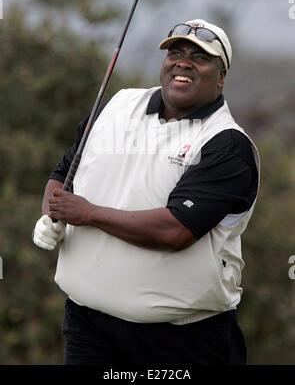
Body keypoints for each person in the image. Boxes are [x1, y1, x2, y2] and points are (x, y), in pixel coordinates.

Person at [33, 18, 260, 366]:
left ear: (221, 76)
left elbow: (174, 231)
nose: (183, 62)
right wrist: (51, 211)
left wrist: (85, 213)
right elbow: (65, 173)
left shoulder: (227, 144)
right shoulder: (118, 107)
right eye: (176, 53)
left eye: (200, 57)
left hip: (180, 342)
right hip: (87, 328)